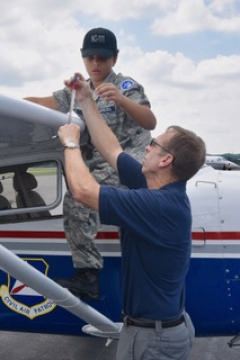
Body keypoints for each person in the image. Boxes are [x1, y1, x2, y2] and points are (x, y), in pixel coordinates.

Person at [57, 74, 206, 360]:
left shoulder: (160, 205)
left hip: (153, 340)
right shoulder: (156, 186)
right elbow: (112, 149)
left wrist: (71, 144)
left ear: (165, 161)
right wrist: (87, 100)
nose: (147, 147)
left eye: (155, 145)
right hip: (157, 331)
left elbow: (83, 191)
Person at [25, 27, 156, 299]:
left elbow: (149, 120)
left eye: (103, 58)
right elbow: (44, 103)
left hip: (129, 162)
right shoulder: (80, 89)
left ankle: (88, 275)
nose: (96, 64)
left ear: (114, 59)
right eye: (90, 58)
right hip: (99, 165)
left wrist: (120, 99)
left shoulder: (125, 86)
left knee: (77, 197)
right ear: (83, 58)